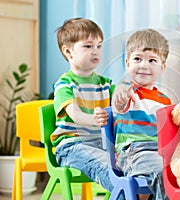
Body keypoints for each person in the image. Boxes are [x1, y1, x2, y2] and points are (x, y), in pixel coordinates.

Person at [51, 17, 115, 192]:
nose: (96, 51)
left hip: (100, 145)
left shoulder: (106, 84)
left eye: (99, 46)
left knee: (135, 164)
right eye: (88, 46)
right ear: (68, 52)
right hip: (72, 146)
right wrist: (94, 119)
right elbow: (75, 114)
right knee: (110, 168)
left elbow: (122, 102)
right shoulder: (65, 84)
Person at [112, 29, 172, 200]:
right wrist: (121, 94)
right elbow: (119, 102)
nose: (144, 65)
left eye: (152, 60)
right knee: (165, 172)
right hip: (133, 152)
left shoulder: (165, 100)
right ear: (127, 63)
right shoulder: (126, 90)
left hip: (158, 153)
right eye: (137, 59)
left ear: (162, 67)